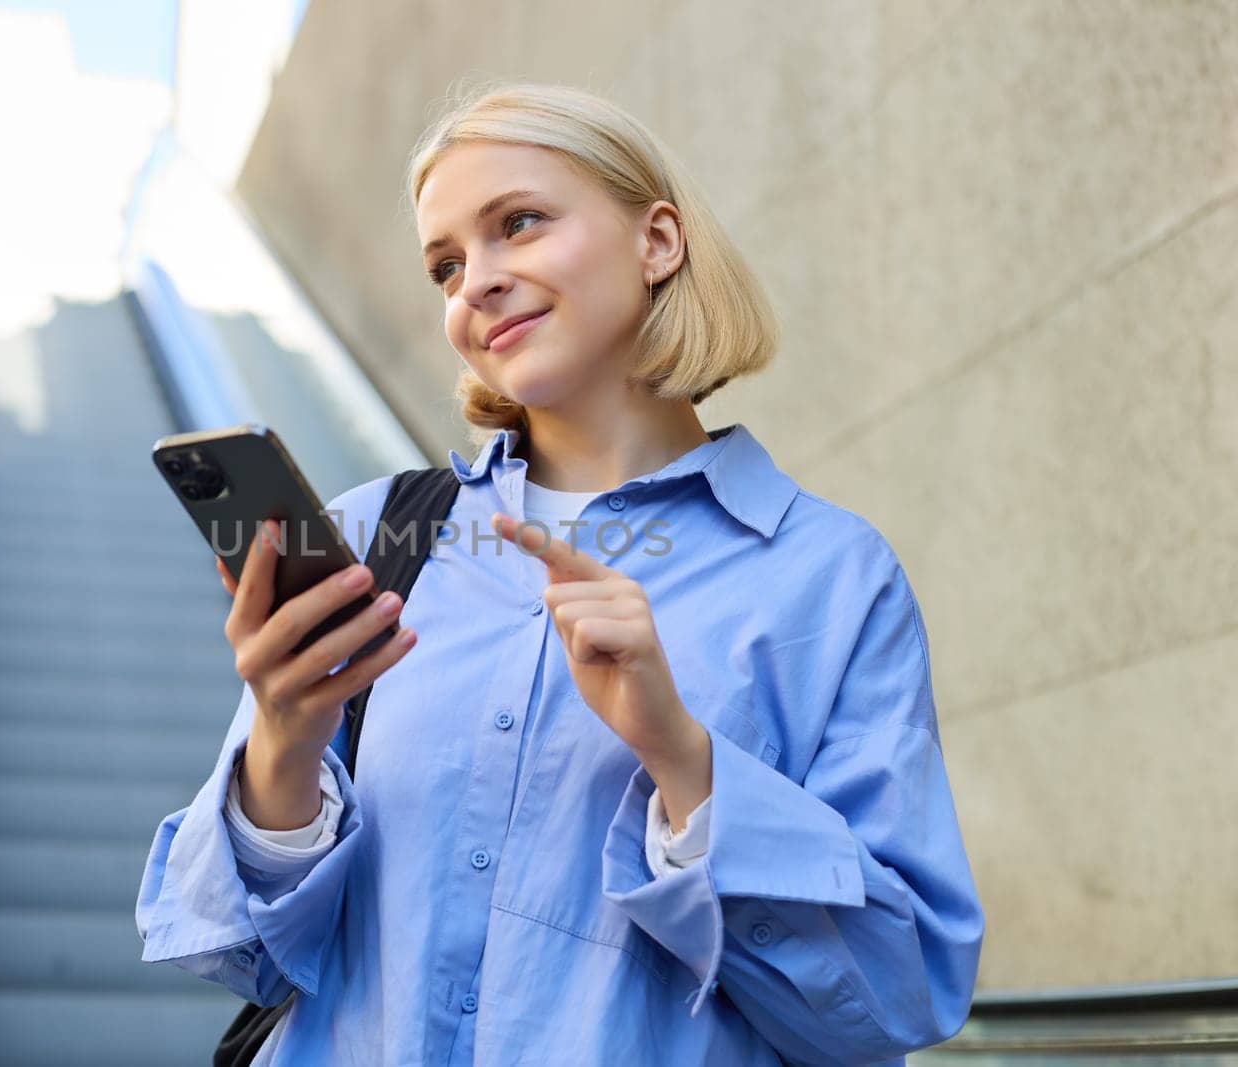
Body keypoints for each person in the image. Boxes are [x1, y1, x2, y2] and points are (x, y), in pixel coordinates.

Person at [137, 79, 984, 1065]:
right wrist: (282, 742)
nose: (474, 284)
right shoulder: (375, 535)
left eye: (518, 224)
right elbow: (240, 956)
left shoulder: (828, 579)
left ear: (657, 241)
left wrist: (682, 759)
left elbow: (899, 992)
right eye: (445, 265)